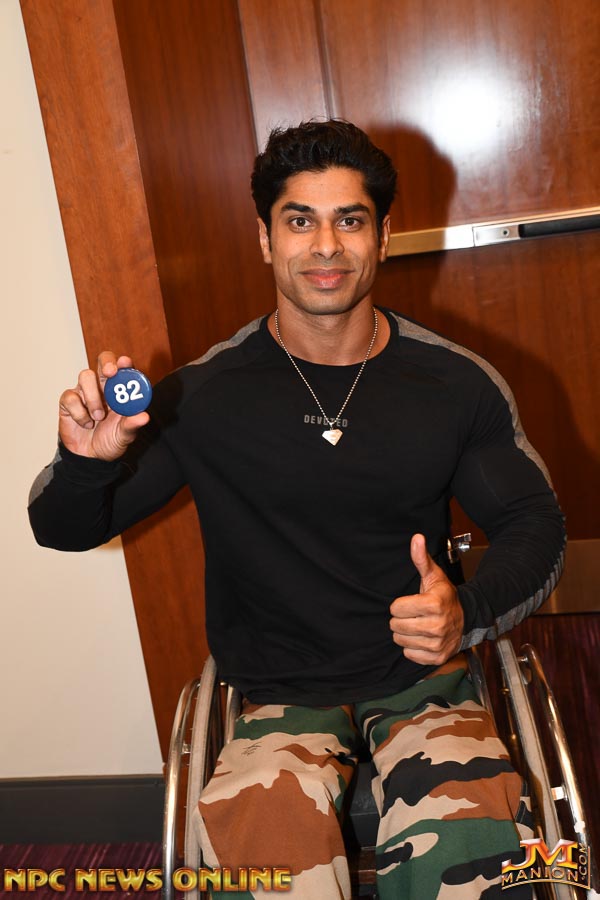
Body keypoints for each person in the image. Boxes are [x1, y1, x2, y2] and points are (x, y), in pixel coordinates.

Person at [29, 120, 565, 899]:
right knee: (269, 863)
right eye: (300, 220)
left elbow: (535, 525)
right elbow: (63, 528)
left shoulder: (453, 385)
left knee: (475, 854)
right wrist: (85, 463)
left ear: (382, 237)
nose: (326, 246)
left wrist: (468, 610)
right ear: (265, 239)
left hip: (424, 680)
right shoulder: (203, 397)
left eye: (350, 220)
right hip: (276, 691)